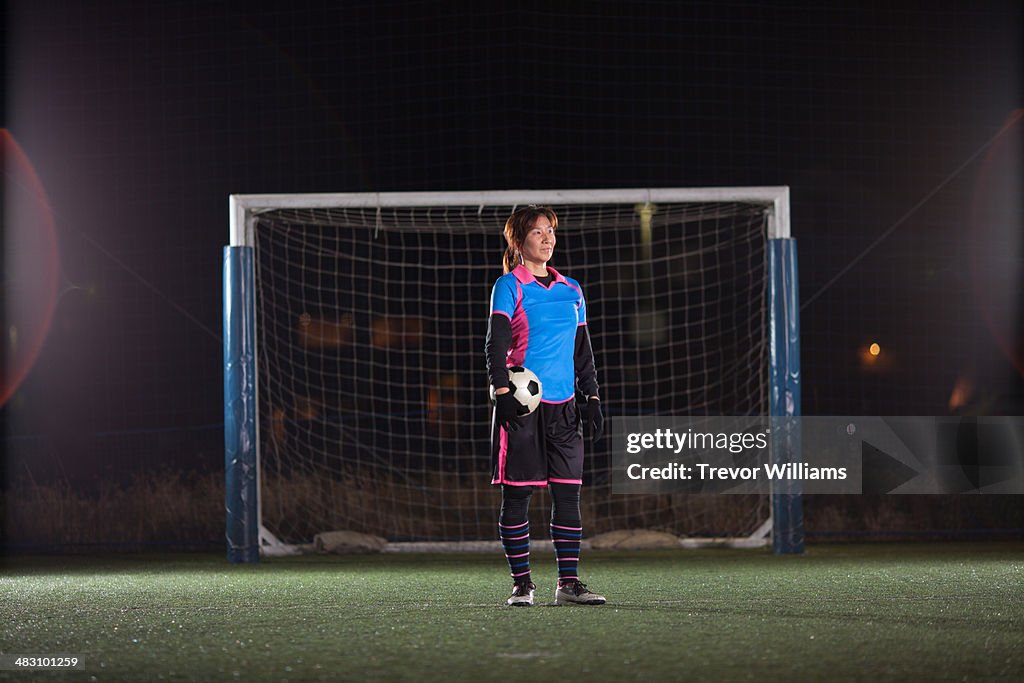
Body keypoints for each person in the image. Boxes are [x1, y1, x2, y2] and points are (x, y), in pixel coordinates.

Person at [485, 205, 606, 607]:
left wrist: (591, 396)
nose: (548, 238)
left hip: (566, 408)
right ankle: (522, 584)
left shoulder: (572, 289)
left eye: (551, 231)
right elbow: (496, 344)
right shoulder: (509, 285)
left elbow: (582, 351)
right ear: (519, 242)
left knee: (568, 496)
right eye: (538, 232)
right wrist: (502, 393)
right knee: (518, 497)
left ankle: (568, 585)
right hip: (522, 408)